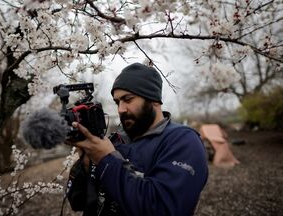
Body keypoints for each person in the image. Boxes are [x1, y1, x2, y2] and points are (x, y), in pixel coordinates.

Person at [67, 62, 208, 216]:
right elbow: (77, 202)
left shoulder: (183, 141)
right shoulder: (116, 140)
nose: (121, 109)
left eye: (128, 99)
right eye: (117, 102)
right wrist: (86, 166)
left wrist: (106, 160)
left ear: (153, 99)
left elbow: (162, 208)